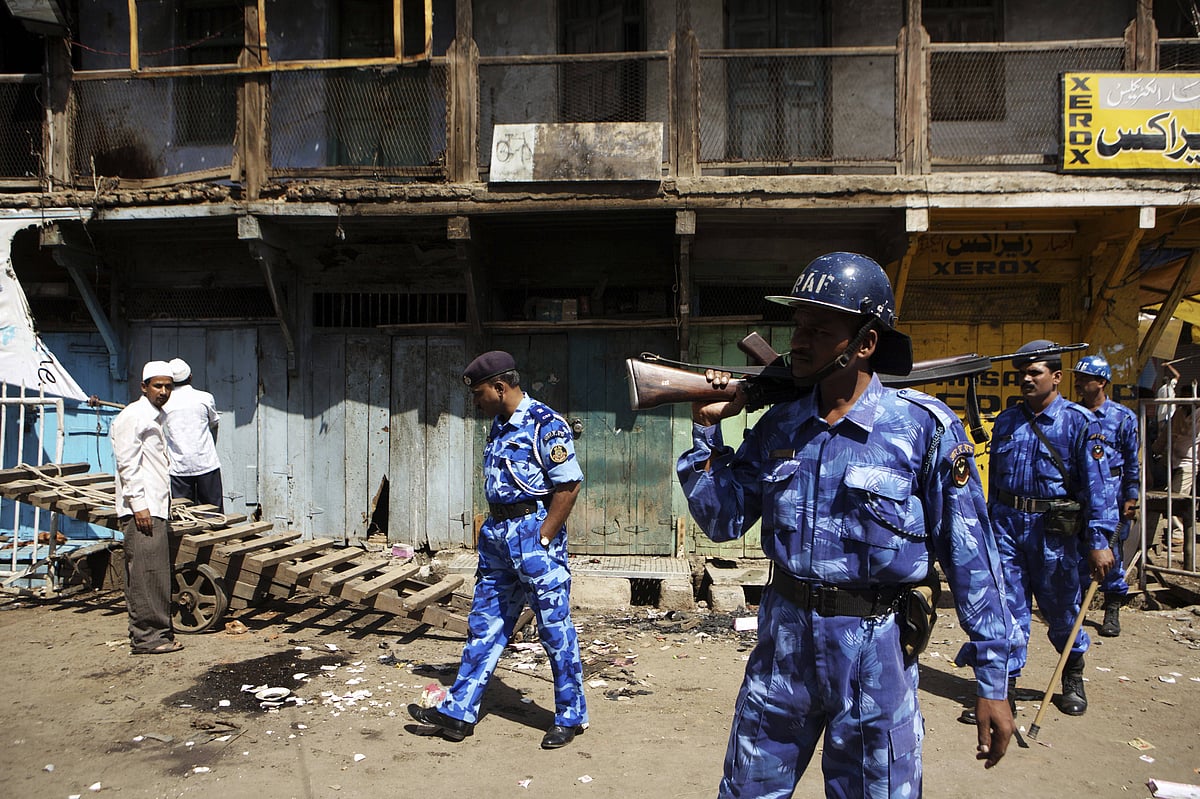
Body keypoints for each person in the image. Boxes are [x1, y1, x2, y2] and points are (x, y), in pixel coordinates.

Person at [678, 252, 1015, 798]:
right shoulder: (781, 425)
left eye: (819, 327)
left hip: (876, 648)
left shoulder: (922, 429)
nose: (799, 339)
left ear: (865, 343)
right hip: (782, 648)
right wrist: (706, 431)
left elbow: (973, 558)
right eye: (797, 324)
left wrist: (993, 682)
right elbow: (721, 519)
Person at [408, 351, 588, 749]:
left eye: (478, 394)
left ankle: (570, 715)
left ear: (500, 387)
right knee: (484, 626)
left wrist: (545, 535)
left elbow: (569, 485)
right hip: (497, 536)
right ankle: (458, 713)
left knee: (554, 629)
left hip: (532, 534)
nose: (475, 401)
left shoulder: (546, 424)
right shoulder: (499, 425)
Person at [988, 340, 1117, 717]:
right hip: (1007, 526)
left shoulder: (1079, 422)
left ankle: (1071, 675)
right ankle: (1003, 689)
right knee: (1007, 610)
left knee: (1062, 610)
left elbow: (1097, 487)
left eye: (1035, 372)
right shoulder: (1008, 420)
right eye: (1022, 373)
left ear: (1056, 377)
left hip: (1054, 533)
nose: (1026, 379)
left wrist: (1098, 541)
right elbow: (995, 480)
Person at [111, 361, 183, 655]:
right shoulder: (133, 416)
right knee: (145, 573)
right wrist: (139, 506)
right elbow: (127, 464)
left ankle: (156, 634)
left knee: (154, 573)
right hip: (142, 508)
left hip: (156, 505)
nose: (163, 391)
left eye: (168, 386)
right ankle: (148, 639)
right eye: (158, 386)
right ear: (144, 387)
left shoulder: (156, 417)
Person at [1072, 355, 1140, 637]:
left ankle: (1112, 608)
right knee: (1076, 551)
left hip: (1111, 492)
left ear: (1101, 383)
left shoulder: (1122, 417)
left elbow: (1131, 460)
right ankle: (1075, 611)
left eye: (1084, 379)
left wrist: (1131, 495)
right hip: (1079, 491)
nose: (1078, 383)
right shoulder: (1073, 415)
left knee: (1111, 553)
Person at [164, 357, 224, 512]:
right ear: (190, 377)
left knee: (183, 514)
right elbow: (214, 421)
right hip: (206, 463)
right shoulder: (205, 398)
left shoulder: (164, 404)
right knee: (214, 513)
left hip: (178, 466)